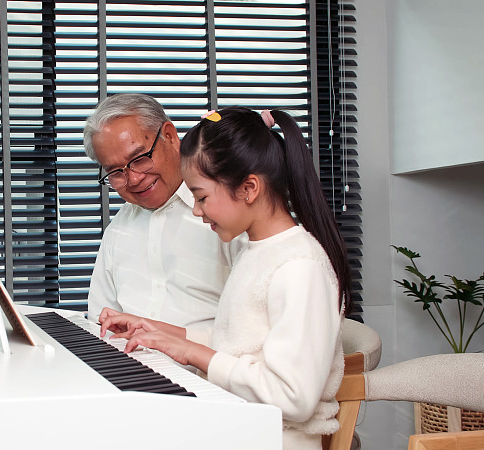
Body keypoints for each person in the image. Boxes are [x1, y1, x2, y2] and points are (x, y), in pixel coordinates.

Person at [99, 107, 352, 450]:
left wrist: (193, 353)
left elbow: (294, 398)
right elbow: (242, 342)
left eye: (201, 197)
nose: (196, 210)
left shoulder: (299, 266)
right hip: (238, 426)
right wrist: (161, 333)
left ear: (249, 188)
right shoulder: (257, 252)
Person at [83, 94, 246, 327]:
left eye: (139, 159)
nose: (134, 179)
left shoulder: (227, 212)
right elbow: (99, 321)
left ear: (169, 136)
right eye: (116, 172)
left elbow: (256, 331)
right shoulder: (118, 229)